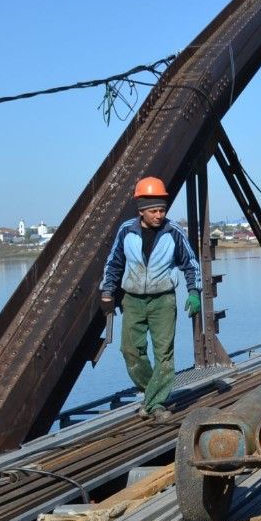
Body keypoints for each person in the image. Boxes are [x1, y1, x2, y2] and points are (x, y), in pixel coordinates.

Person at [100, 177, 202, 420]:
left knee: (164, 353)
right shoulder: (127, 231)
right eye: (154, 211)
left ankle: (155, 405)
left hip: (162, 301)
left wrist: (194, 292)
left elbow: (191, 264)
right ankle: (152, 394)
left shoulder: (173, 232)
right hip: (132, 300)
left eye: (162, 210)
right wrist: (107, 292)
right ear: (141, 211)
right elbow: (114, 262)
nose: (159, 215)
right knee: (130, 351)